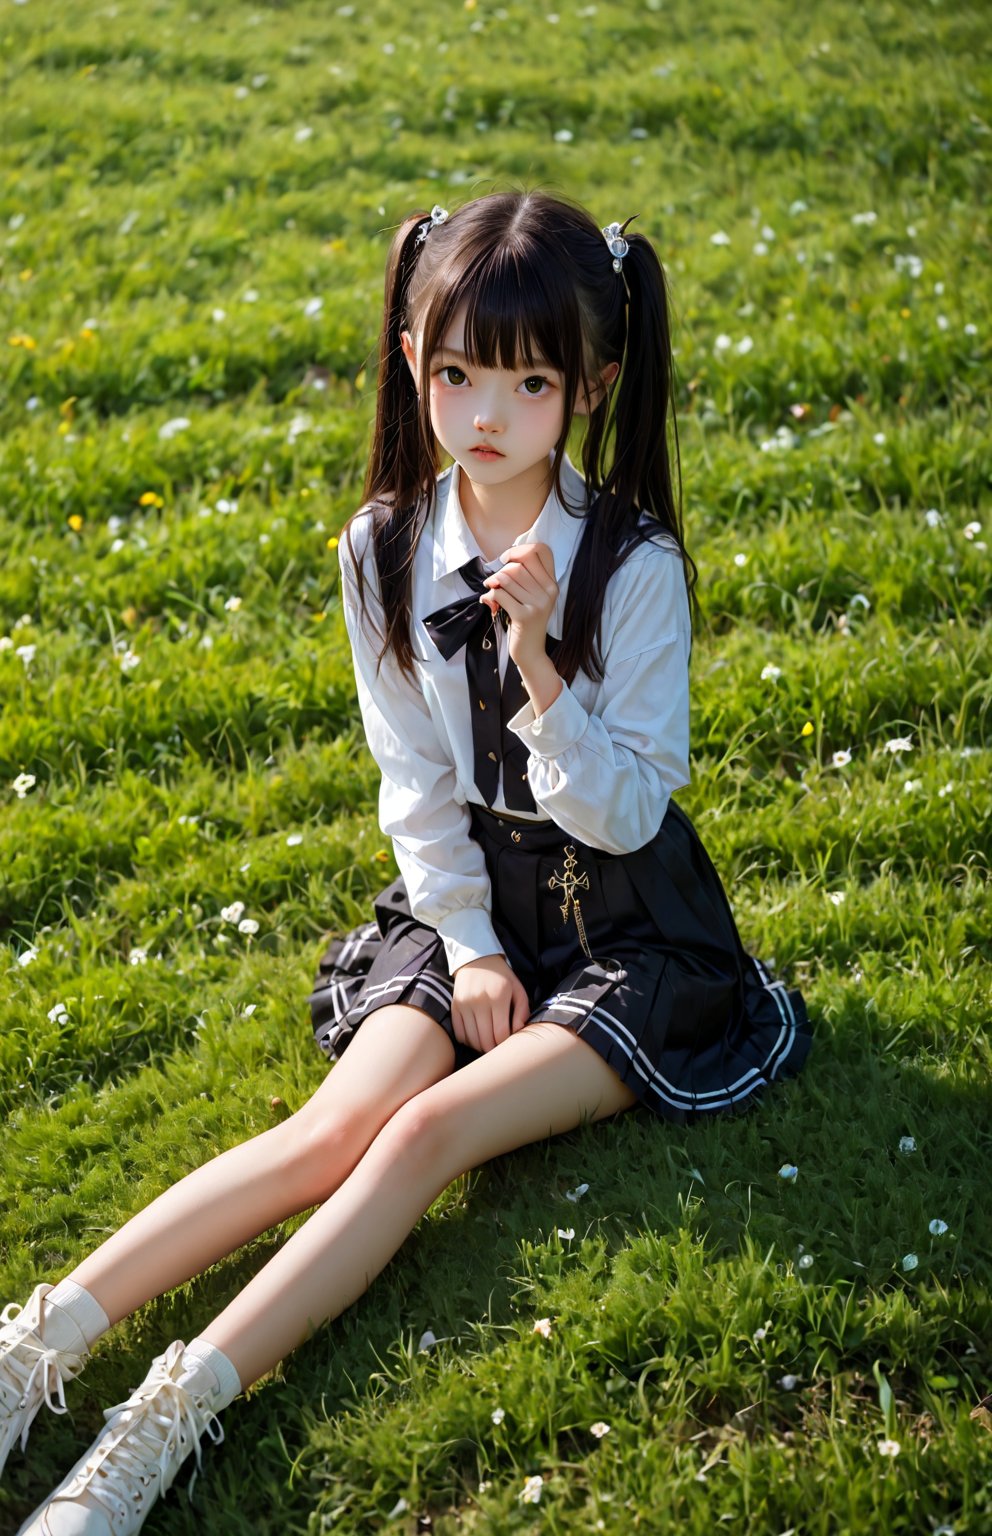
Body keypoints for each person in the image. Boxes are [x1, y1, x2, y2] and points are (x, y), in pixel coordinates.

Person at [0, 190, 811, 1535]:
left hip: (626, 925)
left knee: (425, 1134)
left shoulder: (637, 565)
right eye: (454, 373)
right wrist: (475, 947)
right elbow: (416, 784)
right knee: (328, 1131)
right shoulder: (382, 547)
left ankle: (157, 1430)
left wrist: (543, 663)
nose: (485, 412)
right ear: (409, 359)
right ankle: (33, 1350)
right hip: (469, 901)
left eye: (529, 381)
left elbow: (628, 818)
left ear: (592, 388)